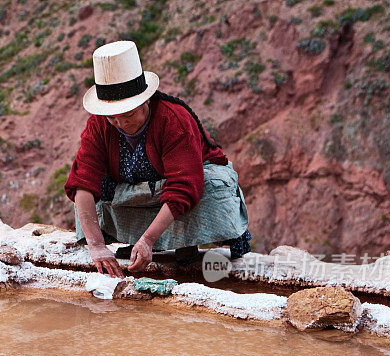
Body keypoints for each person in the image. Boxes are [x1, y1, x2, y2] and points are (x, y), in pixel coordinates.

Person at [64, 40, 252, 278]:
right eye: (113, 118)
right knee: (94, 198)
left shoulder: (174, 120)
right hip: (137, 189)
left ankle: (180, 243)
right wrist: (97, 246)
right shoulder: (98, 124)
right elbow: (83, 180)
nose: (121, 124)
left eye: (129, 115)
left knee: (209, 187)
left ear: (145, 101)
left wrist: (149, 239)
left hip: (181, 184)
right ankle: (135, 242)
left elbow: (183, 185)